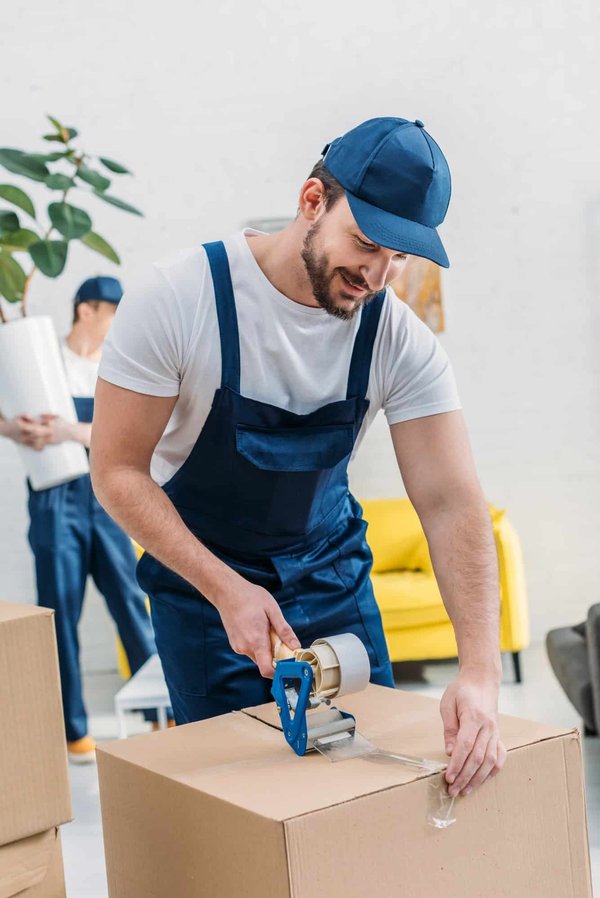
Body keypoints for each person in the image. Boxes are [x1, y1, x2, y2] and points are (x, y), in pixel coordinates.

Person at [91, 117, 506, 799]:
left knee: (375, 794)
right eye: (366, 243)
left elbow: (451, 501)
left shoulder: (397, 340)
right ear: (312, 200)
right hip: (204, 590)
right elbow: (117, 472)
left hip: (331, 579)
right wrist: (227, 589)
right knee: (244, 808)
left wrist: (481, 673)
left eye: (399, 257)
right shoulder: (177, 298)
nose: (376, 274)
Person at [0, 277, 157, 763]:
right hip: (53, 501)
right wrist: (15, 430)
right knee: (60, 612)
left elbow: (126, 436)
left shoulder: (117, 366)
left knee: (132, 604)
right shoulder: (41, 360)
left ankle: (158, 713)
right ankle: (74, 731)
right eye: (112, 312)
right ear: (86, 310)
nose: (118, 323)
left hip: (107, 495)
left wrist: (68, 430)